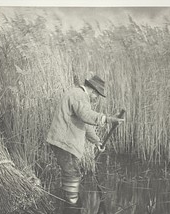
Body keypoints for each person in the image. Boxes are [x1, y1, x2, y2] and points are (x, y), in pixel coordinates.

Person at [46, 75, 124, 204]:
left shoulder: (79, 96)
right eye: (97, 96)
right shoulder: (79, 95)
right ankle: (72, 207)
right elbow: (86, 115)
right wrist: (108, 119)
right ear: (93, 91)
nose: (97, 99)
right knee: (72, 173)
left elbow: (85, 123)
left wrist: (96, 141)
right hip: (64, 142)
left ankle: (69, 202)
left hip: (66, 143)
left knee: (71, 172)